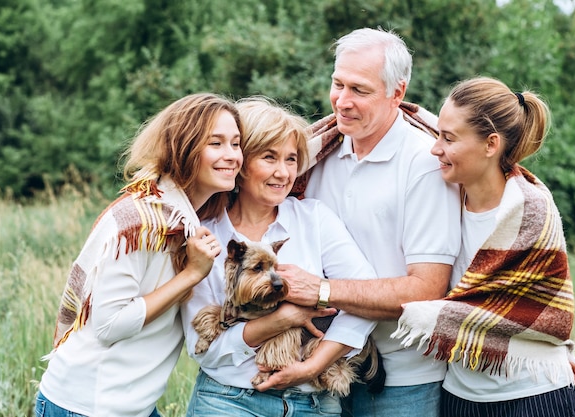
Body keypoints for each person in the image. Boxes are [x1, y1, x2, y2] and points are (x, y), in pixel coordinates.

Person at [254, 28, 462, 417]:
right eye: (338, 84)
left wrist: (322, 290)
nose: (342, 102)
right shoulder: (317, 155)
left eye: (359, 90)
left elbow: (427, 289)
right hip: (319, 371)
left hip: (402, 379)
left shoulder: (422, 164)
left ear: (396, 93)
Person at [35, 93, 243, 417]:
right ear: (184, 148)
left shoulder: (192, 220)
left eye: (236, 144)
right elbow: (110, 325)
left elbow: (288, 155)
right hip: (88, 406)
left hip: (134, 407)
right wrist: (191, 274)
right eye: (216, 143)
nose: (232, 155)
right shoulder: (141, 222)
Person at [391, 76, 575, 416]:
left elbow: (517, 309)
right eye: (438, 134)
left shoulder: (529, 209)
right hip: (460, 395)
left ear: (490, 145)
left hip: (533, 394)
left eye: (448, 138)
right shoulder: (444, 199)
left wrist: (419, 310)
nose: (436, 148)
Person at [182, 96, 378, 417]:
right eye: (269, 157)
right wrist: (284, 319)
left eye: (290, 159)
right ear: (241, 162)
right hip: (228, 400)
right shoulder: (206, 233)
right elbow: (204, 347)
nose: (283, 172)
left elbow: (367, 299)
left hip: (313, 402)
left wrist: (313, 365)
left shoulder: (313, 219)